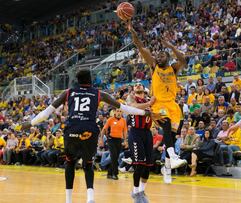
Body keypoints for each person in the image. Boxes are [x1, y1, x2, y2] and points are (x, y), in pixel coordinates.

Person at [27, 69, 158, 203]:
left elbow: (45, 114)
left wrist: (30, 123)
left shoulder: (68, 92)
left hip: (72, 129)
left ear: (77, 81)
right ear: (90, 79)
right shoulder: (99, 93)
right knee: (88, 164)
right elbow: (124, 108)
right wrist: (144, 113)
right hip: (89, 131)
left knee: (70, 163)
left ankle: (68, 200)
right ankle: (90, 199)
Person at [128, 21, 187, 184]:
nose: (159, 56)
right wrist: (133, 32)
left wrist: (171, 46)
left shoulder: (173, 68)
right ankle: (173, 157)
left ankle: (167, 167)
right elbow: (141, 48)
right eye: (158, 55)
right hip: (158, 104)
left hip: (173, 105)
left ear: (168, 58)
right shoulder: (154, 66)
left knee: (173, 136)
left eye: (162, 55)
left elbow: (183, 59)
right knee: (166, 125)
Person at [126, 83, 155, 202]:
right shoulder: (130, 98)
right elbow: (133, 106)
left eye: (141, 92)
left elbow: (154, 115)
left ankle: (142, 191)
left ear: (145, 92)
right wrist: (149, 103)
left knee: (148, 165)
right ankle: (135, 192)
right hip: (135, 133)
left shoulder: (149, 102)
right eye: (137, 92)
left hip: (147, 133)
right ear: (133, 92)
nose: (140, 94)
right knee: (139, 164)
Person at [101, 108, 128, 180]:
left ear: (122, 113)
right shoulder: (110, 119)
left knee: (115, 157)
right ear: (115, 112)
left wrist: (125, 141)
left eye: (120, 111)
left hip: (119, 140)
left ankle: (109, 173)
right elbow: (104, 129)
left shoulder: (123, 121)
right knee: (113, 156)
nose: (119, 113)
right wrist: (101, 140)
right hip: (111, 140)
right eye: (117, 111)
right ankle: (115, 174)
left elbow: (125, 131)